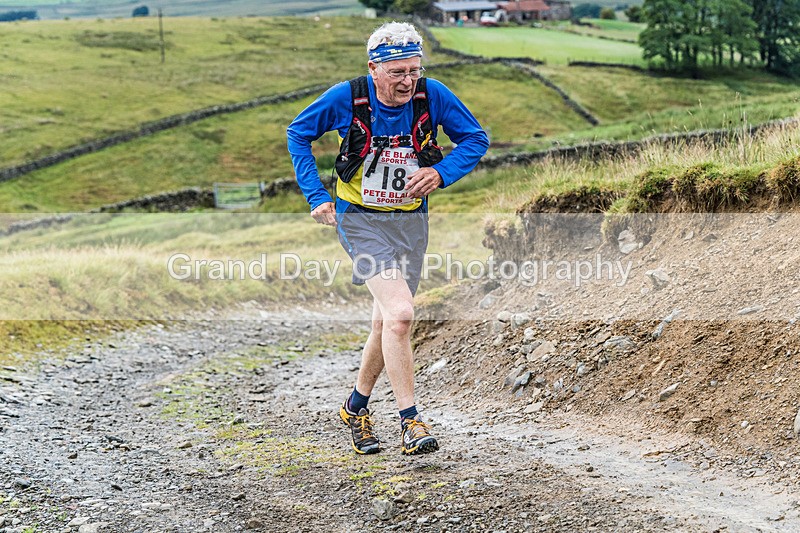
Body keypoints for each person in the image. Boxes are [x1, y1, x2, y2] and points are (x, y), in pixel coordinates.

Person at [287, 21, 488, 456]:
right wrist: (316, 196)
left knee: (385, 322)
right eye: (397, 72)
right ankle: (410, 420)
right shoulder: (349, 97)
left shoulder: (431, 95)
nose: (407, 81)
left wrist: (439, 172)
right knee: (400, 315)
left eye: (414, 70)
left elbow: (475, 138)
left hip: (411, 221)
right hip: (359, 220)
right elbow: (297, 132)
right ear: (374, 69)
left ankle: (355, 407)